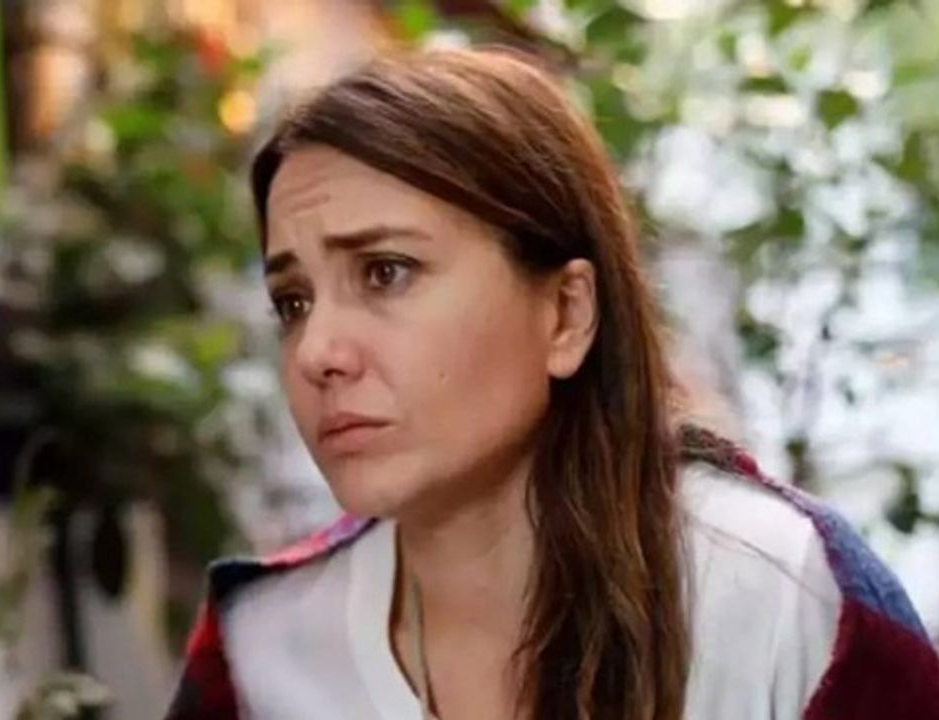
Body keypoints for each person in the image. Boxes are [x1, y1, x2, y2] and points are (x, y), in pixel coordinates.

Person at [165, 48, 939, 720]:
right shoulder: (263, 648)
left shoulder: (780, 594)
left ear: (566, 313)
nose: (317, 352)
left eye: (386, 272)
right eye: (292, 303)